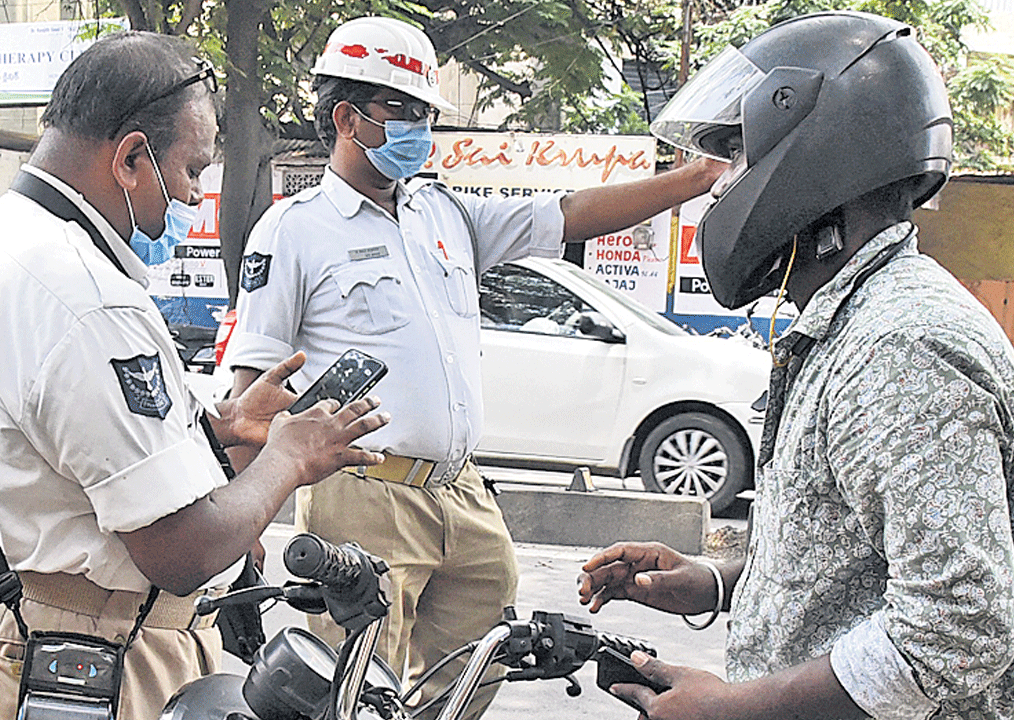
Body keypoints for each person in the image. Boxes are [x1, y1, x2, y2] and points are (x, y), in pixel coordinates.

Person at [221, 15, 725, 718]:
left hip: (461, 493)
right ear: (347, 117)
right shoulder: (295, 228)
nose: (420, 127)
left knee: (476, 672)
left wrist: (694, 179)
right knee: (356, 692)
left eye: (426, 112)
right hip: (365, 494)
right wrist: (241, 537)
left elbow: (570, 212)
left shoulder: (444, 213)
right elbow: (252, 398)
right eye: (404, 110)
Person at [578, 11, 1014, 720]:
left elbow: (959, 627)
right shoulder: (853, 324)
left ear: (816, 156)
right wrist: (715, 582)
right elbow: (858, 557)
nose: (720, 189)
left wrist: (736, 709)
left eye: (738, 158)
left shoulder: (901, 345)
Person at [0, 32, 389, 720]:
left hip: (15, 627)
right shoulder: (86, 295)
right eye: (193, 168)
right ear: (132, 157)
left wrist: (214, 430)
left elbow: (58, 440)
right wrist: (286, 459)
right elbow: (182, 549)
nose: (196, 194)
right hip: (88, 650)